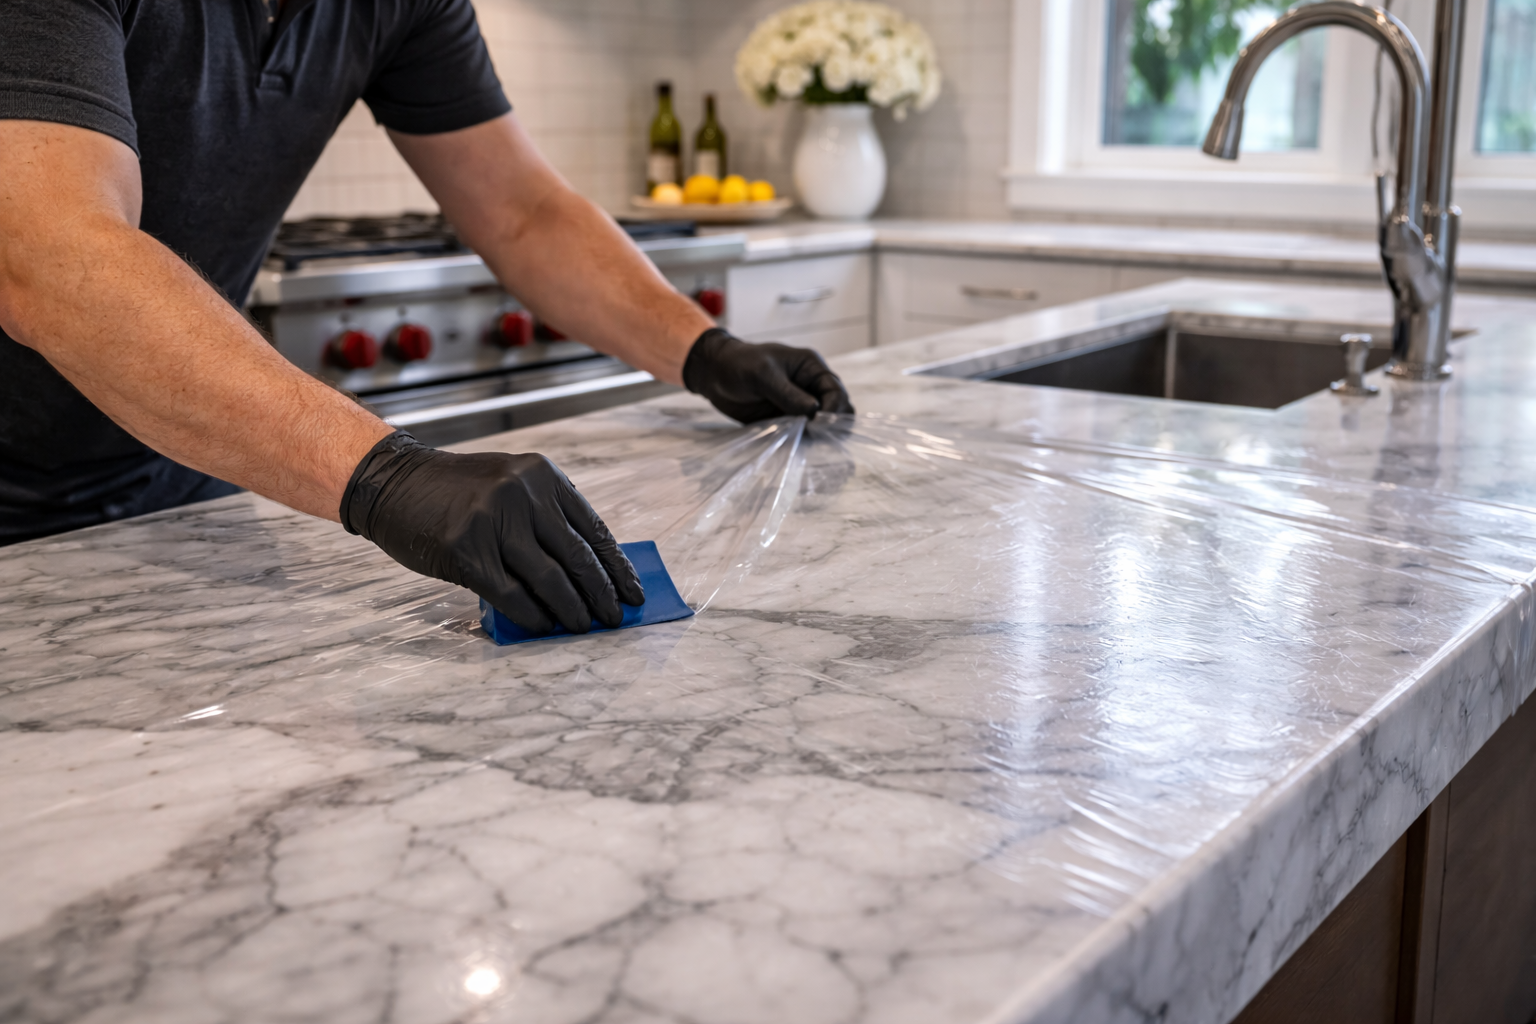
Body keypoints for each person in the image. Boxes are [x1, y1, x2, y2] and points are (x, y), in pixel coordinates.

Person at [0, 0, 853, 636]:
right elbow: (47, 252)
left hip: (175, 485)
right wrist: (386, 476)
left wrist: (702, 350)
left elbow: (522, 210)